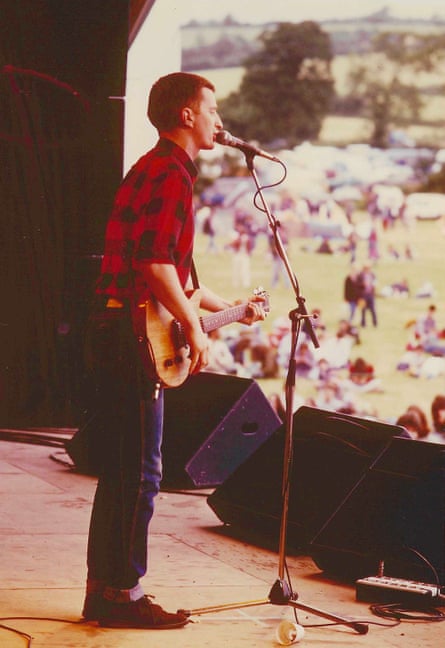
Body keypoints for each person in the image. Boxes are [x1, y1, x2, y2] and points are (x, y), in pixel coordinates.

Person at [81, 72, 266, 629]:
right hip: (129, 340)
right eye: (212, 110)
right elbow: (154, 266)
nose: (219, 122)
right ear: (186, 116)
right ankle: (124, 596)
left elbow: (177, 275)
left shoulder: (153, 167)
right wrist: (197, 328)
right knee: (141, 473)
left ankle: (104, 591)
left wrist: (230, 305)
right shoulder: (172, 176)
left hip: (118, 332)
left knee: (122, 473)